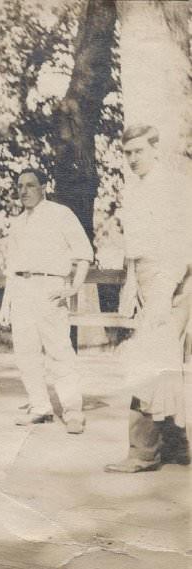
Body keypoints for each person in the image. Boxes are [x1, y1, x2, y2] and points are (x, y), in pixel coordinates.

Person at [105, 124, 192, 472]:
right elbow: (136, 249)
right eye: (127, 153)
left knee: (148, 360)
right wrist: (131, 286)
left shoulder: (174, 186)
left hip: (172, 278)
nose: (132, 159)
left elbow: (180, 246)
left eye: (139, 151)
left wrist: (161, 295)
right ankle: (175, 446)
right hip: (145, 278)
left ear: (155, 148)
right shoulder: (135, 190)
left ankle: (142, 451)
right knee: (164, 361)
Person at [0, 168, 93, 434]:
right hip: (21, 290)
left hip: (49, 287)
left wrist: (72, 288)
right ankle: (40, 406)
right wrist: (6, 305)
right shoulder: (18, 222)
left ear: (43, 187)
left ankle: (73, 411)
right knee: (26, 353)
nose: (24, 191)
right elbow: (12, 268)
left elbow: (84, 254)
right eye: (20, 186)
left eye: (30, 185)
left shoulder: (60, 214)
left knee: (59, 351)